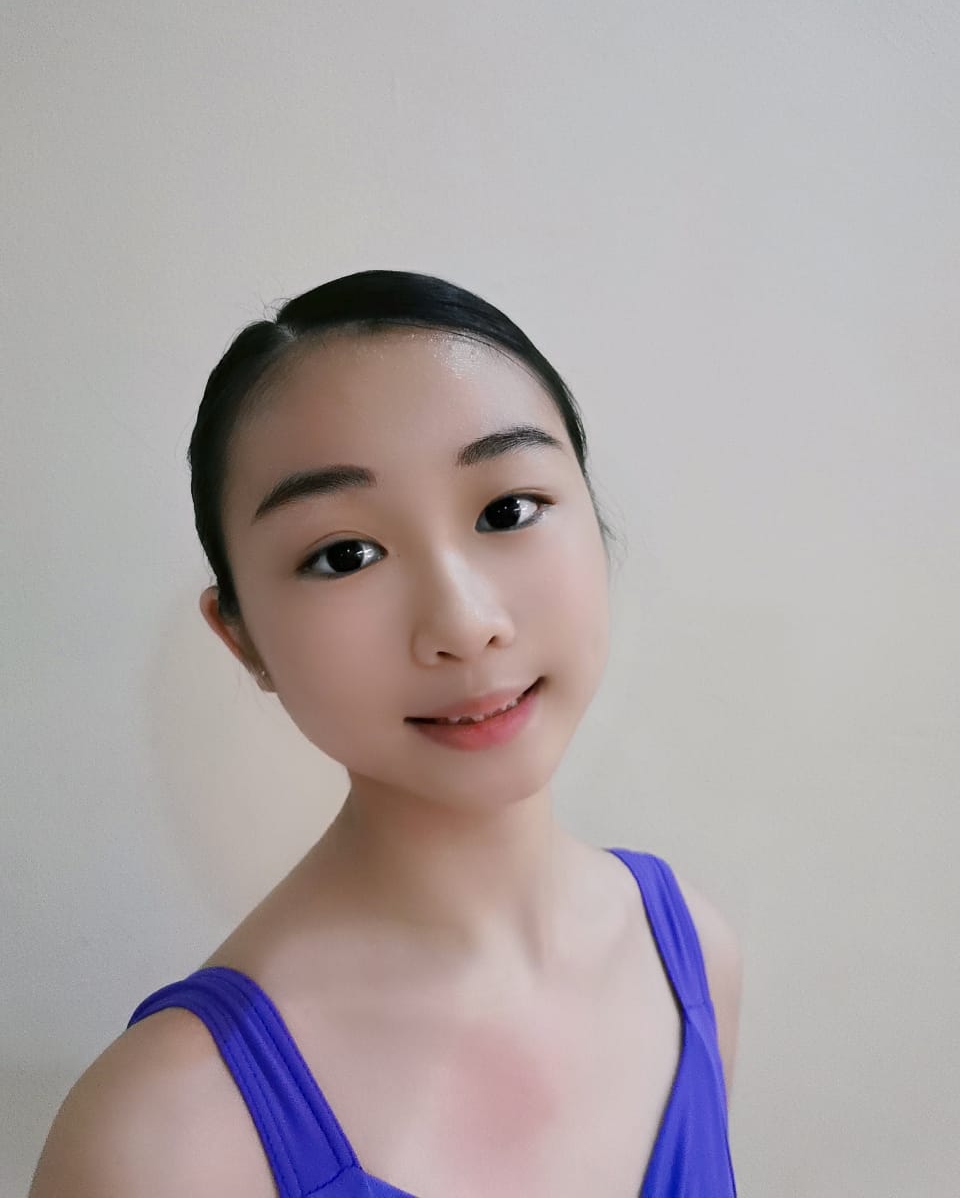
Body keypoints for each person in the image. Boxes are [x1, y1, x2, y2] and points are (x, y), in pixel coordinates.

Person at [29, 271, 741, 1197]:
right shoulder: (162, 1137)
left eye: (507, 511)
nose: (464, 624)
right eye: (345, 555)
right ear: (242, 639)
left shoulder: (690, 958)